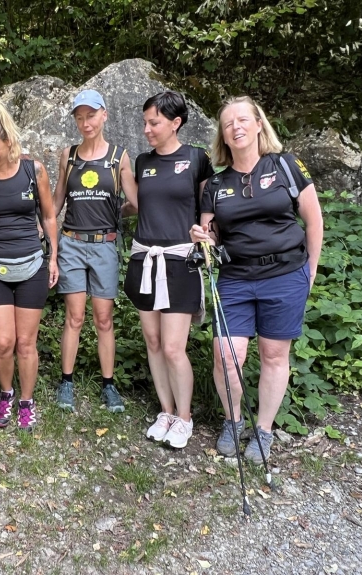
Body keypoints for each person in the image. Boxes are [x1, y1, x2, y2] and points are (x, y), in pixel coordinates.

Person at [190, 95, 323, 463]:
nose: (236, 126)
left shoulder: (286, 165)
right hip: (235, 277)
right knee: (226, 356)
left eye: (243, 119)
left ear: (258, 124)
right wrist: (202, 236)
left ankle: (263, 430)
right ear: (223, 136)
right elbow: (210, 232)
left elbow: (314, 220)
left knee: (274, 354)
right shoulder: (215, 185)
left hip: (285, 274)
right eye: (229, 123)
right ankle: (233, 421)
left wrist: (310, 271)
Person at [122, 91, 214, 449]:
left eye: (154, 122)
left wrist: (208, 235)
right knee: (154, 341)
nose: (147, 129)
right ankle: (166, 410)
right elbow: (135, 205)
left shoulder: (196, 158)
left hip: (180, 260)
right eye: (145, 122)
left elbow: (209, 206)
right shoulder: (143, 162)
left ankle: (185, 418)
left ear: (175, 123)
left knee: (175, 347)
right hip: (145, 257)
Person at [0, 101, 59, 431]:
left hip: (32, 265)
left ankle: (26, 400)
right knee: (3, 343)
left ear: (7, 139)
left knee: (25, 343)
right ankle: (6, 393)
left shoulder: (34, 170)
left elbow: (48, 215)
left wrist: (53, 257)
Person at [52, 89, 135, 414]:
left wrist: (117, 212)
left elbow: (135, 202)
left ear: (104, 115)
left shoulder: (118, 157)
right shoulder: (68, 156)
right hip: (72, 242)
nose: (85, 122)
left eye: (91, 115)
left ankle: (108, 384)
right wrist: (44, 233)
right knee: (74, 317)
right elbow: (58, 201)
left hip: (104, 245)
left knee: (103, 319)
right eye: (79, 116)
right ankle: (67, 382)